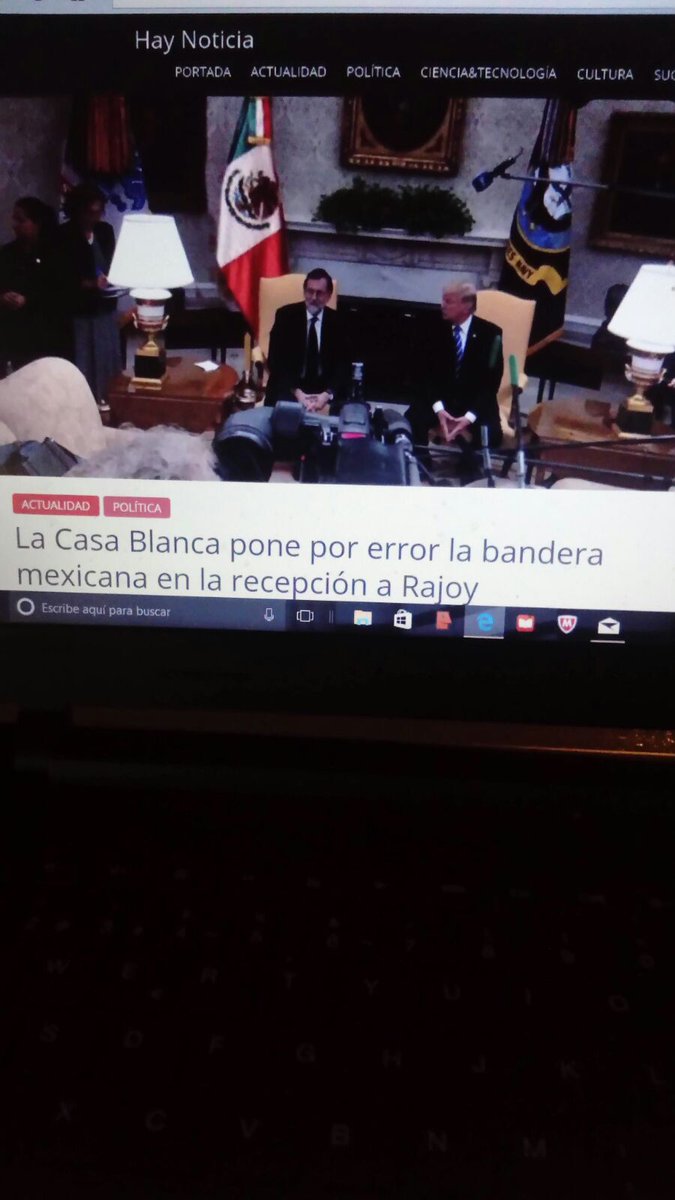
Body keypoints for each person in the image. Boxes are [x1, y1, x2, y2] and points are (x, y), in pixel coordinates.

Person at [406, 280, 503, 468]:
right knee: (412, 420)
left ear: (467, 305)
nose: (442, 305)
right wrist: (439, 409)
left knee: (492, 434)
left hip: (473, 402)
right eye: (443, 300)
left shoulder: (491, 334)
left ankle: (469, 468)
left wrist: (469, 417)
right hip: (439, 399)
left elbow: (491, 383)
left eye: (448, 301)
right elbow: (422, 374)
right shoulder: (430, 328)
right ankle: (422, 466)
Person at [59, 182, 122, 404]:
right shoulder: (64, 235)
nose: (95, 217)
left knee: (106, 358)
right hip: (80, 311)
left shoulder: (105, 231)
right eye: (90, 212)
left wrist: (111, 279)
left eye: (98, 212)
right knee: (84, 359)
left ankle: (107, 401)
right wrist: (91, 284)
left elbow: (112, 263)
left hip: (105, 307)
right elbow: (61, 276)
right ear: (78, 210)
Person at [0, 196, 71, 374]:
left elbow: (60, 292)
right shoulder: (7, 253)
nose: (14, 225)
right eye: (14, 219)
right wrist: (4, 296)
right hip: (15, 334)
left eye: (21, 220)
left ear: (36, 223)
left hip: (46, 336)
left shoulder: (55, 254)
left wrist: (28, 300)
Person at [264, 268, 349, 413]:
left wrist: (327, 394)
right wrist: (297, 392)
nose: (314, 297)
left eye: (319, 293)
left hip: (325, 388)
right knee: (282, 406)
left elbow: (344, 364)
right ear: (304, 291)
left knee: (348, 409)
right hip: (291, 386)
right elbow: (275, 360)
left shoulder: (339, 321)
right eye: (310, 291)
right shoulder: (285, 316)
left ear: (329, 295)